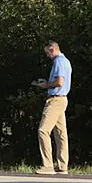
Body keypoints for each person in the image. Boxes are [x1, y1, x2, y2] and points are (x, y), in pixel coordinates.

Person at [31, 39, 72, 175]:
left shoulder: (58, 61)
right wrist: (47, 82)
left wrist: (45, 85)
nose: (47, 56)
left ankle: (48, 166)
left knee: (43, 130)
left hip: (55, 100)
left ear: (52, 49)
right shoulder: (66, 61)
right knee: (61, 133)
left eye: (47, 53)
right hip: (63, 99)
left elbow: (59, 82)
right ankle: (62, 165)